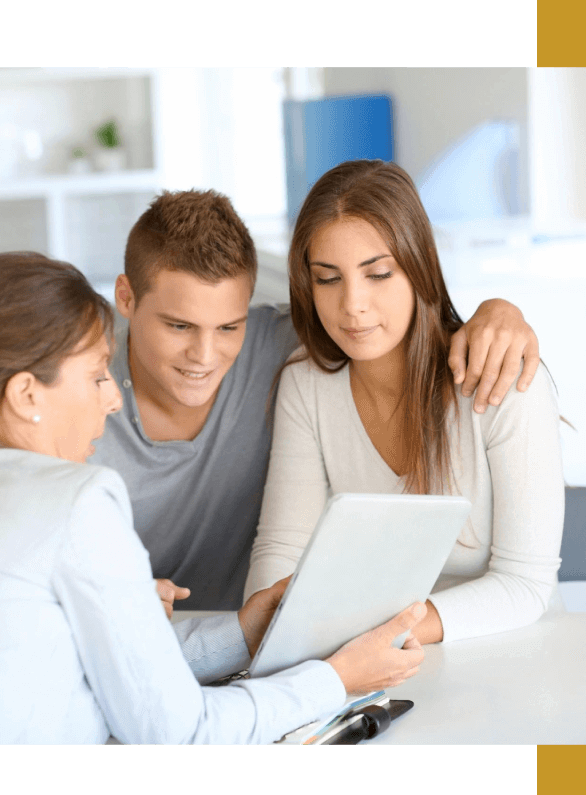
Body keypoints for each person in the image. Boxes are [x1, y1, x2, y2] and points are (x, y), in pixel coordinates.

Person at [0, 252, 426, 744]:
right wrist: (336, 678)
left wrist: (244, 632)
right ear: (26, 395)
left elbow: (112, 678)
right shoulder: (72, 498)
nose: (111, 397)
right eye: (99, 372)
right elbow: (177, 731)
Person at [93, 189, 544, 611]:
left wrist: (500, 311)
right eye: (179, 326)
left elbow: (385, 321)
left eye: (229, 326)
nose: (205, 356)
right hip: (123, 630)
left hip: (240, 636)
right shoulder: (75, 389)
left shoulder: (288, 345)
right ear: (126, 298)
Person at [244, 161, 565, 644]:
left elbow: (525, 585)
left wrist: (388, 636)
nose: (353, 304)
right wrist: (268, 638)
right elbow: (283, 548)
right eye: (328, 279)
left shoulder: (503, 382)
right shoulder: (306, 384)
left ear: (419, 267)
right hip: (364, 655)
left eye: (377, 274)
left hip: (504, 647)